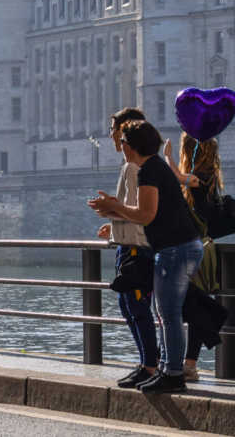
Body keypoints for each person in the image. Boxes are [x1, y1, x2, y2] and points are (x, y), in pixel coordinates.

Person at [89, 121, 203, 394]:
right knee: (164, 312)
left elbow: (145, 215)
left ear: (129, 146)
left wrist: (115, 207)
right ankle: (166, 368)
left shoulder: (148, 170)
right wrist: (114, 212)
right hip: (179, 246)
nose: (121, 147)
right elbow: (148, 213)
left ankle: (173, 373)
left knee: (168, 314)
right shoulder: (155, 168)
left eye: (122, 142)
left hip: (175, 249)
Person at [92, 108, 158, 389]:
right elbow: (130, 212)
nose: (110, 135)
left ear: (125, 131)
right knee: (128, 305)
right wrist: (114, 220)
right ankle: (146, 363)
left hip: (136, 249)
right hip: (127, 245)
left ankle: (150, 365)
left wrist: (112, 211)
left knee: (136, 307)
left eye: (114, 129)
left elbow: (139, 212)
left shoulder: (132, 168)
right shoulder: (131, 166)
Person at [165, 134, 223, 382]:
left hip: (194, 252)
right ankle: (187, 363)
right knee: (192, 306)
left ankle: (188, 363)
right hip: (199, 250)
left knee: (188, 307)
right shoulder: (210, 176)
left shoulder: (204, 176)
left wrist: (167, 157)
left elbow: (179, 178)